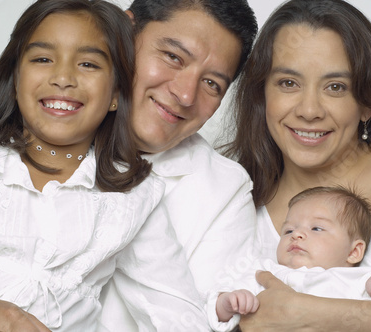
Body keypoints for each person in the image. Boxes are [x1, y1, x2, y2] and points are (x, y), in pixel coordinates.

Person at [0, 0, 208, 331]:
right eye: (43, 59)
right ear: (16, 78)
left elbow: (179, 315)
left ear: (116, 94)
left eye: (89, 64)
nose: (63, 77)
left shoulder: (132, 200)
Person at [224, 0, 371, 330]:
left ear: (366, 103)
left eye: (335, 87)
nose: (309, 110)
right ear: (261, 95)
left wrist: (314, 313)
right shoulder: (227, 199)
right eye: (288, 83)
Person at [98, 0, 258, 330]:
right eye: (173, 57)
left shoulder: (225, 191)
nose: (185, 95)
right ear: (125, 32)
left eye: (212, 84)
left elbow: (196, 321)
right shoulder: (48, 122)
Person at [207, 186, 371, 331]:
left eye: (316, 228)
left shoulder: (360, 279)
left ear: (354, 252)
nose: (296, 235)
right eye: (288, 230)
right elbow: (221, 311)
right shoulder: (264, 272)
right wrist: (227, 303)